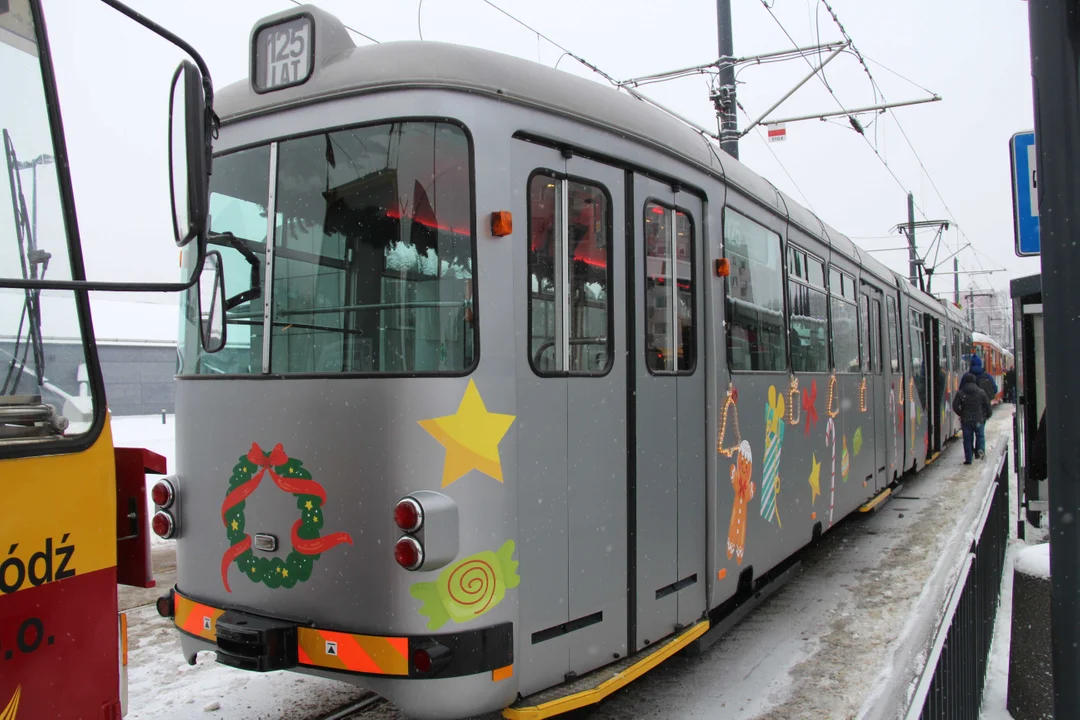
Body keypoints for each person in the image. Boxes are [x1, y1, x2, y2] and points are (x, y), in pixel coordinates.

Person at [962, 355, 998, 458]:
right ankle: (979, 450)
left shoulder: (966, 377)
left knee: (968, 435)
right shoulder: (987, 376)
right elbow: (994, 389)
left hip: (967, 411)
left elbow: (959, 391)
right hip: (981, 411)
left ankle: (969, 454)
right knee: (980, 433)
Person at [953, 372, 992, 465]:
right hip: (979, 419)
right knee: (980, 436)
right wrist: (987, 415)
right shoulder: (981, 392)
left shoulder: (960, 393)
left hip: (966, 420)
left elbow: (955, 406)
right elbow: (987, 405)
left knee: (967, 439)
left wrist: (961, 413)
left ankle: (968, 459)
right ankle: (980, 450)